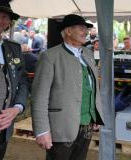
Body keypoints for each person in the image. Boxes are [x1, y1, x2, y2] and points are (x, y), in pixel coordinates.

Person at [31, 14, 104, 160]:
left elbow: (93, 87)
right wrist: (42, 130)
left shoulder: (88, 54)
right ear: (68, 31)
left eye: (86, 29)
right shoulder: (50, 56)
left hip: (86, 124)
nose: (86, 32)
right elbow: (39, 97)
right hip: (61, 126)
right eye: (82, 28)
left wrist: (95, 114)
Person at [0, 0, 28, 160]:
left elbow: (23, 81)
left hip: (3, 130)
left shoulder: (14, 48)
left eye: (4, 17)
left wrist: (17, 107)